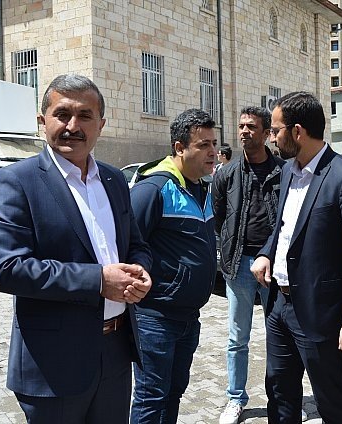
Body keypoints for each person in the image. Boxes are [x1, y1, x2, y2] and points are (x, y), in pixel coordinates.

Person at [0, 74, 153, 423]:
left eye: (85, 116)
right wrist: (99, 281)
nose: (73, 126)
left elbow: (135, 244)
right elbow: (7, 268)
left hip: (115, 353)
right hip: (54, 363)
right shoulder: (16, 181)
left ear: (101, 125)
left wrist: (141, 270)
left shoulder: (114, 180)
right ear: (42, 120)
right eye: (62, 114)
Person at [251, 92, 342, 423]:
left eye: (275, 130)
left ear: (297, 131)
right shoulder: (287, 171)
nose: (271, 138)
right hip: (278, 305)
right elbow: (284, 228)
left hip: (320, 313)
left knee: (331, 401)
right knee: (279, 392)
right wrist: (266, 253)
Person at [129, 108, 218, 424]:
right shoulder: (152, 190)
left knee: (174, 392)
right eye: (203, 145)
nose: (213, 152)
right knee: (151, 397)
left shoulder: (201, 188)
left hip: (188, 317)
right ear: (179, 148)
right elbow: (127, 247)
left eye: (214, 143)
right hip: (155, 318)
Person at [213, 106, 286, 424]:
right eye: (241, 125)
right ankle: (235, 398)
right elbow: (218, 217)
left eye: (251, 127)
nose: (244, 131)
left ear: (267, 133)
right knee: (237, 337)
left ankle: (282, 401)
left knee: (280, 337)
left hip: (275, 267)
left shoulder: (284, 171)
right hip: (239, 264)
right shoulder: (226, 174)